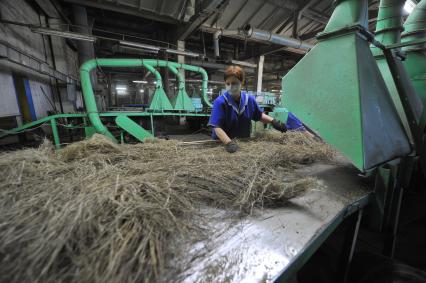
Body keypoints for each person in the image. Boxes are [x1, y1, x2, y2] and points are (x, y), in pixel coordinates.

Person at [208, 65, 288, 153]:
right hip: (222, 145)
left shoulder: (249, 100)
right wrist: (229, 143)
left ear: (242, 82)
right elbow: (217, 127)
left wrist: (274, 122)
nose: (230, 87)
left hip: (243, 142)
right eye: (228, 84)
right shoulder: (220, 102)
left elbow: (258, 115)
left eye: (234, 83)